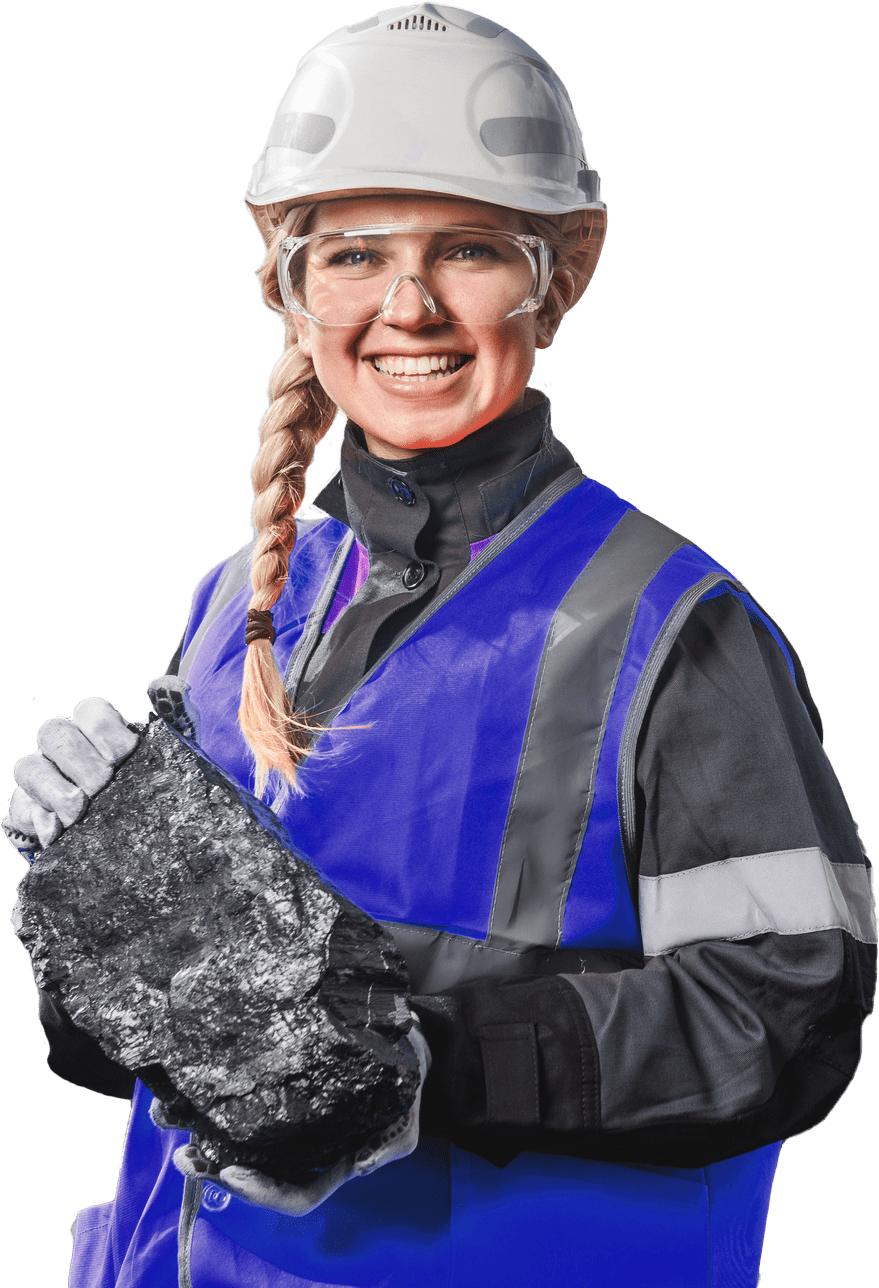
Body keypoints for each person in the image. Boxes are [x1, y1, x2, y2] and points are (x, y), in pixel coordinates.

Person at [4, 6, 876, 1286]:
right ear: (292, 293)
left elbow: (785, 1013)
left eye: (467, 248)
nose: (407, 304)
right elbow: (147, 1054)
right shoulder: (238, 602)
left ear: (554, 281)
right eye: (353, 252)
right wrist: (94, 932)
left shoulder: (672, 630)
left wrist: (415, 1067)